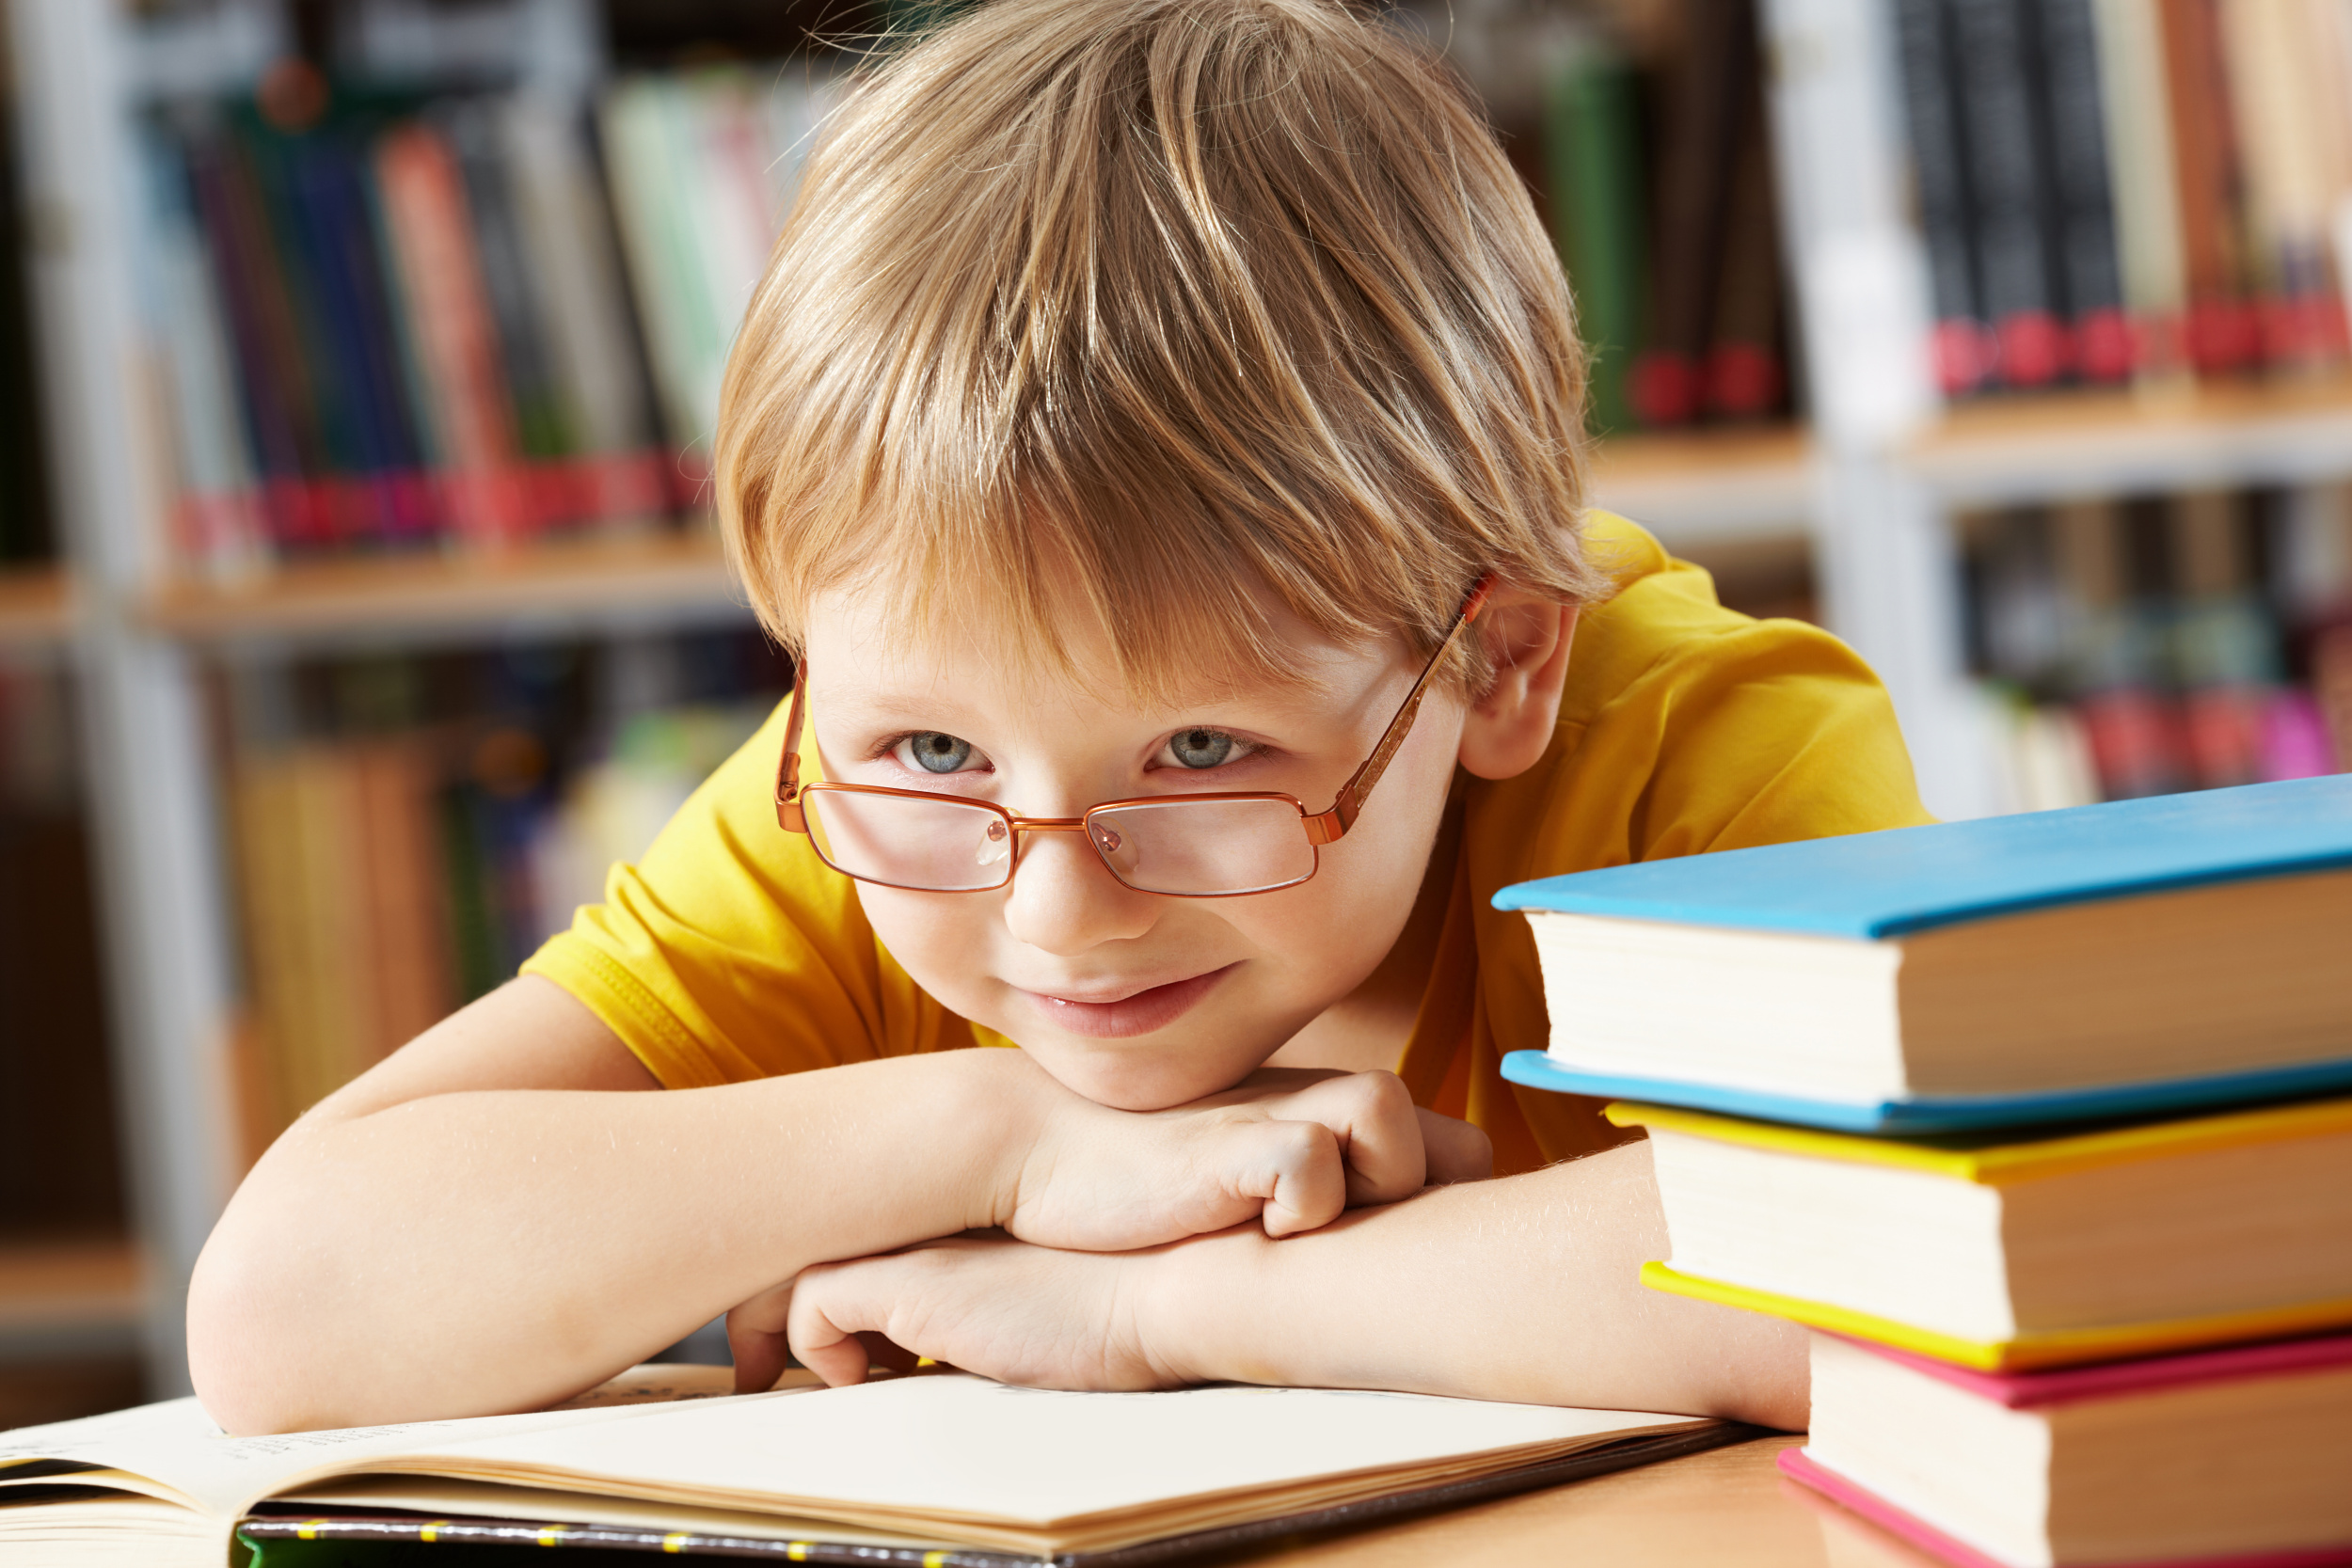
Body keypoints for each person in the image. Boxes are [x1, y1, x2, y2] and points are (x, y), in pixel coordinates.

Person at [186, 0, 1931, 1437]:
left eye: (1201, 755)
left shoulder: (1703, 752)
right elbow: (292, 1308)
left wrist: (1163, 1307)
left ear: (1501, 665)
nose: (1056, 912)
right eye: (934, 748)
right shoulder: (863, 802)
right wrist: (1011, 1141)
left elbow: (1915, 1262)